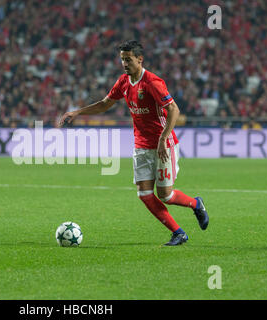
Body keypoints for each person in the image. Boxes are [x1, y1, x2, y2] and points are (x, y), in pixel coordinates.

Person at [58, 40, 209, 246]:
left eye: (128, 59)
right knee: (144, 193)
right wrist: (78, 112)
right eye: (122, 59)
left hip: (163, 146)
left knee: (165, 195)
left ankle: (195, 204)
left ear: (140, 59)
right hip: (141, 145)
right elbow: (105, 104)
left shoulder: (152, 82)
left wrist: (164, 138)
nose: (124, 63)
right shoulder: (123, 82)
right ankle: (178, 232)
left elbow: (174, 110)